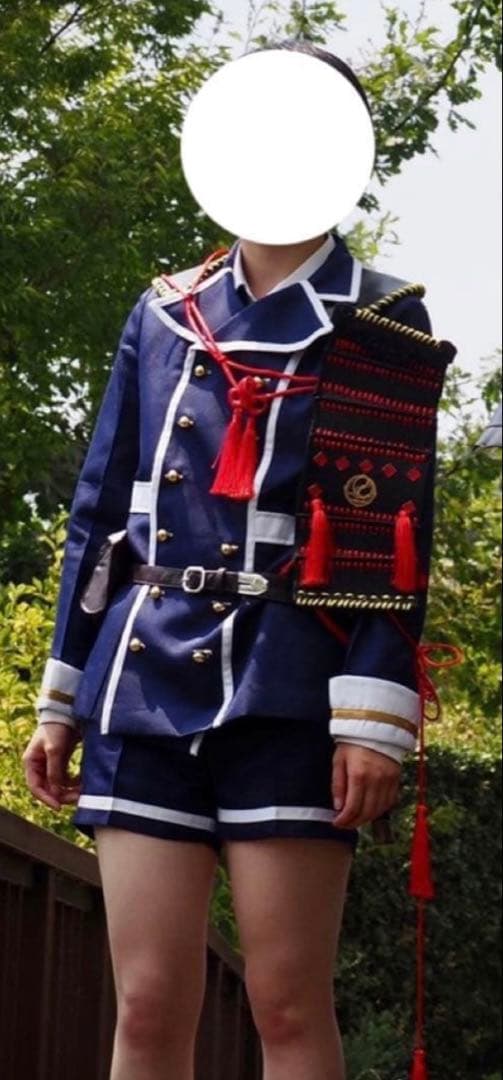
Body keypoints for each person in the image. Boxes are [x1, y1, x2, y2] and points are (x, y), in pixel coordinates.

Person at [21, 41, 447, 1080]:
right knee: (146, 1004)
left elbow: (394, 534)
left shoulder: (382, 319)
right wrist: (60, 695)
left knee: (286, 1007)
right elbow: (99, 514)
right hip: (141, 681)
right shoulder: (163, 310)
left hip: (290, 686)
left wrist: (372, 720)